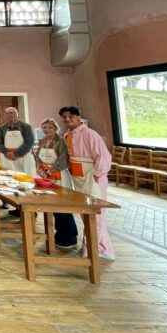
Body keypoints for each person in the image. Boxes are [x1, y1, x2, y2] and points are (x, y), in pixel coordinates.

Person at [59, 106, 115, 260]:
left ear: (78, 117)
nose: (67, 120)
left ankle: (92, 248)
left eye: (70, 117)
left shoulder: (90, 134)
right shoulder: (67, 135)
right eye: (64, 117)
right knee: (84, 212)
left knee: (95, 212)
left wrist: (97, 173)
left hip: (92, 176)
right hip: (78, 178)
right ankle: (101, 247)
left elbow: (103, 156)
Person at [35, 118, 78, 249]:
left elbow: (63, 158)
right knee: (53, 206)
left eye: (50, 128)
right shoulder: (42, 142)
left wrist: (50, 170)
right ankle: (59, 233)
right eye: (45, 128)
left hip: (59, 176)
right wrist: (40, 169)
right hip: (47, 176)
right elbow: (37, 157)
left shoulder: (60, 142)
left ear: (55, 129)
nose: (47, 130)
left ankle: (70, 237)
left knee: (63, 206)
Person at [0, 107, 36, 217]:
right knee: (11, 183)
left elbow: (29, 142)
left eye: (13, 113)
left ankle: (30, 211)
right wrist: (6, 152)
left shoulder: (26, 127)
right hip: (8, 159)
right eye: (9, 114)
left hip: (24, 159)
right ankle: (17, 207)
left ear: (17, 115)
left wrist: (17, 153)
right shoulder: (1, 129)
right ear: (5, 116)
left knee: (26, 184)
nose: (11, 115)